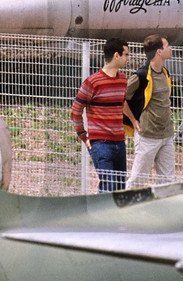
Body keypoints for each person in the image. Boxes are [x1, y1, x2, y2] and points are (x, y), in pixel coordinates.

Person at [71, 37, 136, 191]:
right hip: (100, 143)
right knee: (109, 187)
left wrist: (133, 121)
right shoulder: (93, 82)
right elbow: (75, 111)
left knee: (119, 188)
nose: (128, 58)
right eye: (126, 54)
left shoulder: (122, 80)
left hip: (119, 142)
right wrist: (83, 135)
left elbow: (121, 103)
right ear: (116, 56)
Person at [125, 34, 175, 188]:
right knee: (138, 180)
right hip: (148, 136)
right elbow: (121, 98)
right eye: (167, 46)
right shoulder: (141, 75)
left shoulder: (165, 73)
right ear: (159, 52)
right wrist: (133, 121)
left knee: (167, 181)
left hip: (166, 135)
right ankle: (124, 207)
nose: (170, 48)